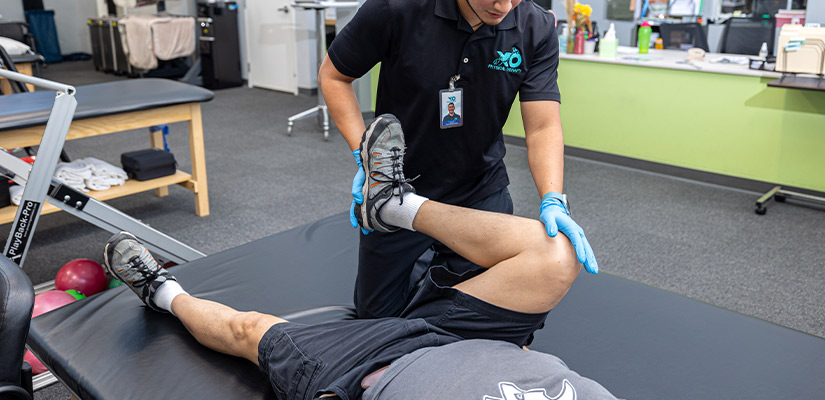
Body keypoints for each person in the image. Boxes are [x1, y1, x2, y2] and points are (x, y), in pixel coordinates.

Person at [103, 121, 617, 400]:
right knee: (556, 252)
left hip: (373, 371)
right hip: (483, 340)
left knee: (250, 331)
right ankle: (394, 206)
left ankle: (162, 294)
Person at [319, 0, 599, 319]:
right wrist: (367, 158)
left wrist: (553, 198)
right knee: (375, 322)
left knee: (479, 318)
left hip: (479, 191)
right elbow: (334, 77)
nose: (503, 6)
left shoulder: (536, 27)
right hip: (395, 195)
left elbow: (542, 126)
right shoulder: (395, 8)